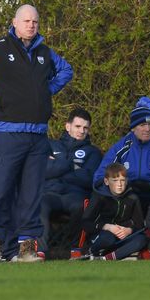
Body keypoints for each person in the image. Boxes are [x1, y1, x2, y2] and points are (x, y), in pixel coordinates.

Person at [0, 5, 73, 263]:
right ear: (14, 22)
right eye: (26, 20)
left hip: (38, 135)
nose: (31, 25)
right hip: (7, 133)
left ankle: (26, 249)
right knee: (0, 190)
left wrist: (45, 91)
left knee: (32, 194)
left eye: (35, 21)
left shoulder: (45, 53)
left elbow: (67, 70)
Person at [93, 97, 150, 212]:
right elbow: (99, 178)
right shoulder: (121, 147)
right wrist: (123, 186)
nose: (147, 129)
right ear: (133, 128)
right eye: (142, 124)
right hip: (126, 196)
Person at [39, 108, 102, 258]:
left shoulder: (93, 152)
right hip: (50, 193)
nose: (82, 131)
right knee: (39, 203)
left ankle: (76, 250)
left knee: (83, 205)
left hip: (75, 195)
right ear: (68, 126)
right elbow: (42, 171)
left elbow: (88, 179)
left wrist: (58, 166)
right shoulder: (50, 145)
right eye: (78, 126)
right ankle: (40, 251)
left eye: (85, 128)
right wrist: (73, 167)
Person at [82, 163, 147, 260]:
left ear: (126, 181)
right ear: (106, 181)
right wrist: (106, 226)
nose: (119, 184)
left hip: (122, 236)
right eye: (115, 180)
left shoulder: (133, 198)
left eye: (122, 180)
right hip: (101, 235)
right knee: (108, 239)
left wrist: (129, 230)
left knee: (141, 239)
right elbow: (85, 223)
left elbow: (140, 225)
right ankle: (91, 252)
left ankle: (107, 258)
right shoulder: (99, 197)